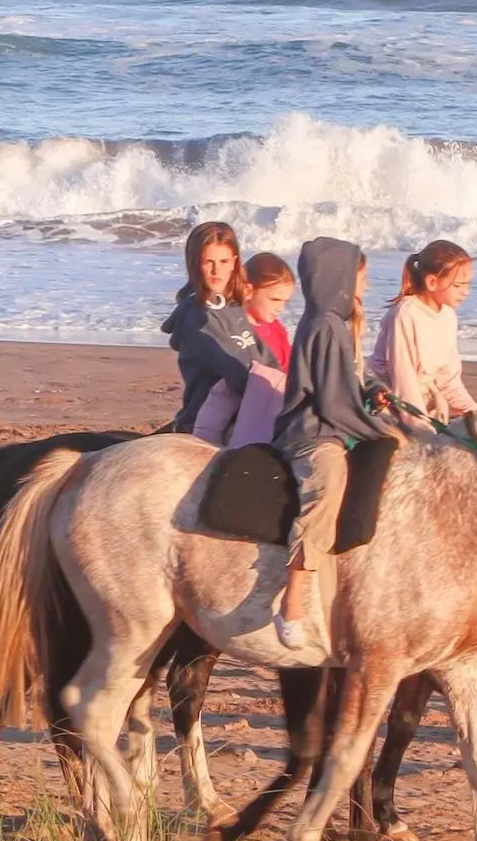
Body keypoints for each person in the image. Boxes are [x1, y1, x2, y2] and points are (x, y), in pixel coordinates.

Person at [272, 236, 396, 649]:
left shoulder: (342, 325)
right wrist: (375, 427)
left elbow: (353, 379)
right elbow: (331, 400)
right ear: (339, 279)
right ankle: (294, 594)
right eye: (361, 278)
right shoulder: (326, 326)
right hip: (313, 433)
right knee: (327, 480)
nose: (365, 287)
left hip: (336, 421)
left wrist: (374, 391)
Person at [162, 220, 270, 435]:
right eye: (207, 261)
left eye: (223, 261)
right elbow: (235, 371)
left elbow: (264, 357)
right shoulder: (199, 317)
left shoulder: (233, 306)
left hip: (244, 409)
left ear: (234, 263)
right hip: (210, 421)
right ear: (194, 264)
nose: (215, 270)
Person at [191, 251, 295, 445]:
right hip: (240, 408)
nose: (281, 308)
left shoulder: (277, 329)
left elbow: (288, 367)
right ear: (248, 291)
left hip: (273, 401)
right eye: (274, 300)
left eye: (285, 301)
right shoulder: (236, 330)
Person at [369, 239, 477, 424]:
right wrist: (420, 426)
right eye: (458, 285)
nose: (465, 292)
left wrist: (476, 414)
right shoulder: (405, 313)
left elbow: (449, 380)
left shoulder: (448, 315)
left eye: (468, 284)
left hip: (425, 401)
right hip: (386, 401)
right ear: (432, 282)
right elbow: (404, 380)